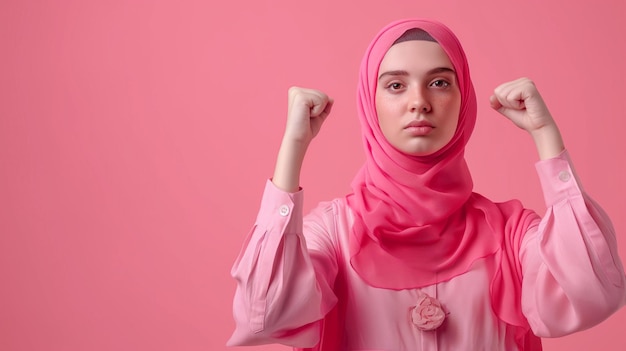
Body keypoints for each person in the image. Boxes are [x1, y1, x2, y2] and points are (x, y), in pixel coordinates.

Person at [226, 18, 626, 350]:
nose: (419, 101)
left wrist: (547, 139)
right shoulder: (334, 231)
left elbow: (593, 292)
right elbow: (263, 313)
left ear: (463, 97)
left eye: (439, 83)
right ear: (371, 101)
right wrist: (292, 150)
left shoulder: (511, 232)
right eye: (396, 85)